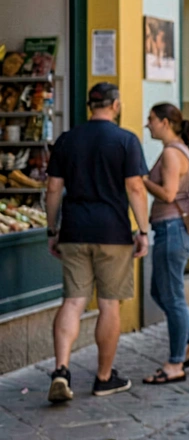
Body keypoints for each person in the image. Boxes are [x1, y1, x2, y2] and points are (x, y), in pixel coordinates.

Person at [44, 83, 151, 402]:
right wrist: (143, 230)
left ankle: (61, 369)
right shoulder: (125, 140)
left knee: (73, 301)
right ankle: (104, 377)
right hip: (112, 233)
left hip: (74, 229)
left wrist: (52, 230)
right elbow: (135, 189)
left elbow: (52, 190)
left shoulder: (67, 140)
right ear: (115, 105)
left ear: (90, 105)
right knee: (108, 303)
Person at [142, 103, 189, 385]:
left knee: (172, 296)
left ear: (166, 123)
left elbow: (168, 194)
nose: (148, 125)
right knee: (160, 291)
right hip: (173, 230)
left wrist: (142, 180)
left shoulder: (172, 153)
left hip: (173, 230)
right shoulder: (180, 149)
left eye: (152, 120)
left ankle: (175, 363)